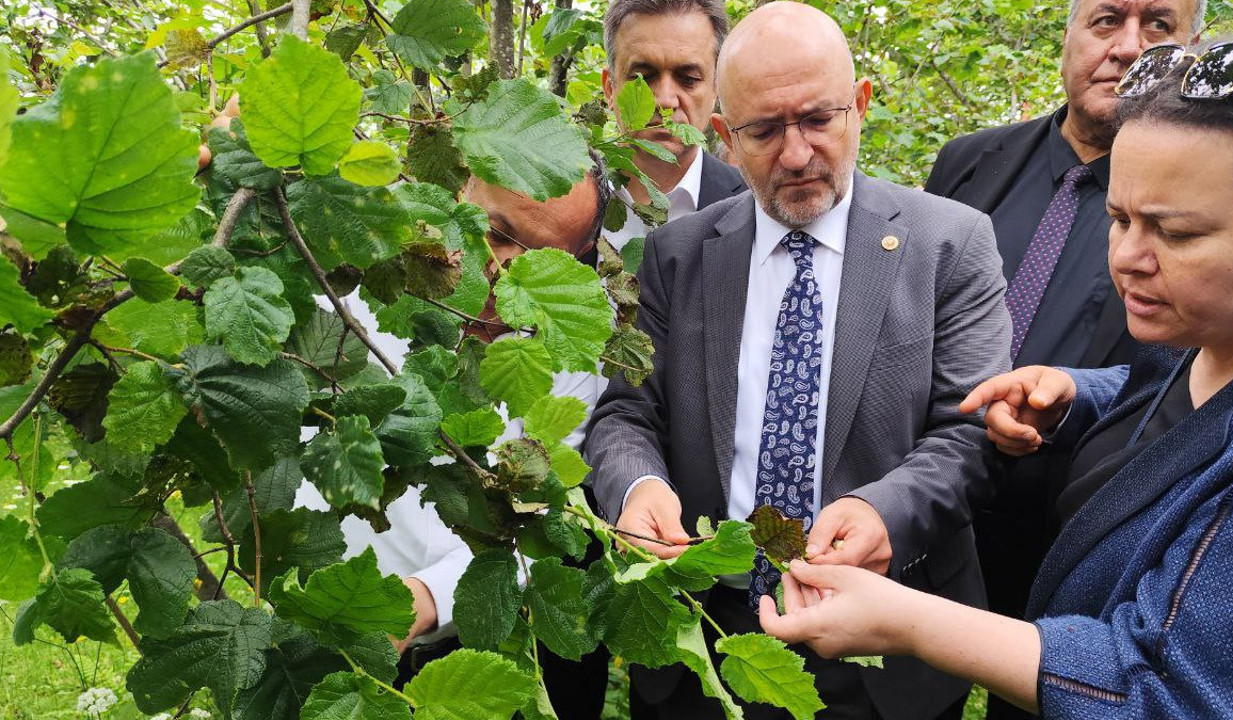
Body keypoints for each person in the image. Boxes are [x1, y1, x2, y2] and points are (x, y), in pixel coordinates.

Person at [760, 34, 1233, 718]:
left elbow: (1164, 690)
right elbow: (1170, 400)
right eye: (1118, 218)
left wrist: (911, 623)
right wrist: (1075, 395)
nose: (1127, 257)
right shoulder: (1210, 332)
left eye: (1175, 234)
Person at [584, 3, 1011, 718]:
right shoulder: (677, 254)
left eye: (818, 119)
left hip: (883, 646)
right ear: (724, 135)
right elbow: (626, 412)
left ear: (861, 105)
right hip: (708, 650)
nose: (796, 153)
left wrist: (882, 510)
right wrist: (636, 489)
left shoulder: (950, 246)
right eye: (764, 129)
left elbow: (970, 435)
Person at [923, 0, 1204, 649]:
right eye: (1107, 20)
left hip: (1076, 529)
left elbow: (1194, 370)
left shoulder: (1202, 206)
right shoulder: (968, 164)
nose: (1129, 47)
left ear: (1193, 45)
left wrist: (1074, 391)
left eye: (1159, 26)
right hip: (938, 506)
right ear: (1068, 36)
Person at [294, 161, 615, 717]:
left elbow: (539, 518)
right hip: (304, 623)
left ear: (578, 258)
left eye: (537, 257)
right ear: (456, 192)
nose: (501, 266)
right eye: (493, 232)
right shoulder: (352, 280)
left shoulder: (572, 345)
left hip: (463, 650)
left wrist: (420, 600)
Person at [600, 0, 747, 248]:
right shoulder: (566, 197)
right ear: (610, 88)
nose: (665, 100)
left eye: (688, 79)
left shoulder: (752, 205)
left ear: (716, 89)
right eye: (642, 79)